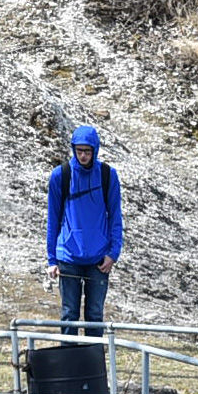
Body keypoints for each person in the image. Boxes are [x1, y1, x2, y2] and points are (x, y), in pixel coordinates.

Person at [46, 125, 123, 336]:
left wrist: (113, 253)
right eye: (79, 150)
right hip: (68, 257)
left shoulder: (108, 176)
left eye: (87, 151)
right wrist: (52, 260)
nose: (83, 155)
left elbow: (116, 216)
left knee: (95, 315)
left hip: (99, 260)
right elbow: (52, 219)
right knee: (69, 315)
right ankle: (69, 366)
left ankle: (94, 365)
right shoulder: (60, 175)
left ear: (95, 150)